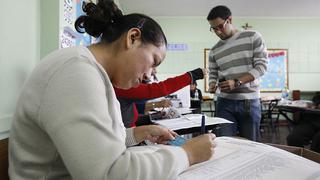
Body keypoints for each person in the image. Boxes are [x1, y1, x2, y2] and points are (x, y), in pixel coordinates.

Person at [8, 1, 216, 179]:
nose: (148, 75)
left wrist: (136, 133)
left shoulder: (94, 73)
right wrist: (187, 155)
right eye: (154, 62)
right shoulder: (74, 70)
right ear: (133, 38)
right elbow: (108, 173)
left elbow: (89, 146)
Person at [207, 5, 268, 141]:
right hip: (224, 102)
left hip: (249, 102)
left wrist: (237, 82)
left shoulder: (253, 36)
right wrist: (212, 84)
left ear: (229, 20)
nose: (218, 32)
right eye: (214, 29)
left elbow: (262, 66)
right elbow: (213, 73)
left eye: (220, 26)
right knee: (224, 144)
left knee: (252, 146)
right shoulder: (214, 50)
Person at [115, 68, 205, 127]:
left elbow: (133, 116)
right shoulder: (121, 85)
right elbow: (158, 89)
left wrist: (156, 116)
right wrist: (192, 75)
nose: (148, 75)